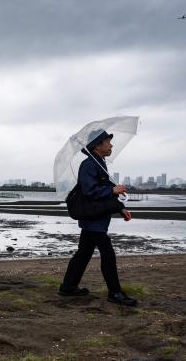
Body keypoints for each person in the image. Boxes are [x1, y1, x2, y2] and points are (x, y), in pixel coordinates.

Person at [58, 130, 137, 306]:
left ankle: (68, 287)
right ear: (97, 145)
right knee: (107, 254)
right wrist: (112, 190)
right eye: (108, 142)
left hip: (96, 218)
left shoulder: (99, 163)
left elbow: (104, 191)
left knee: (83, 253)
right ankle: (115, 293)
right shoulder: (89, 165)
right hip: (93, 219)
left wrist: (121, 208)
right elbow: (90, 191)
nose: (111, 145)